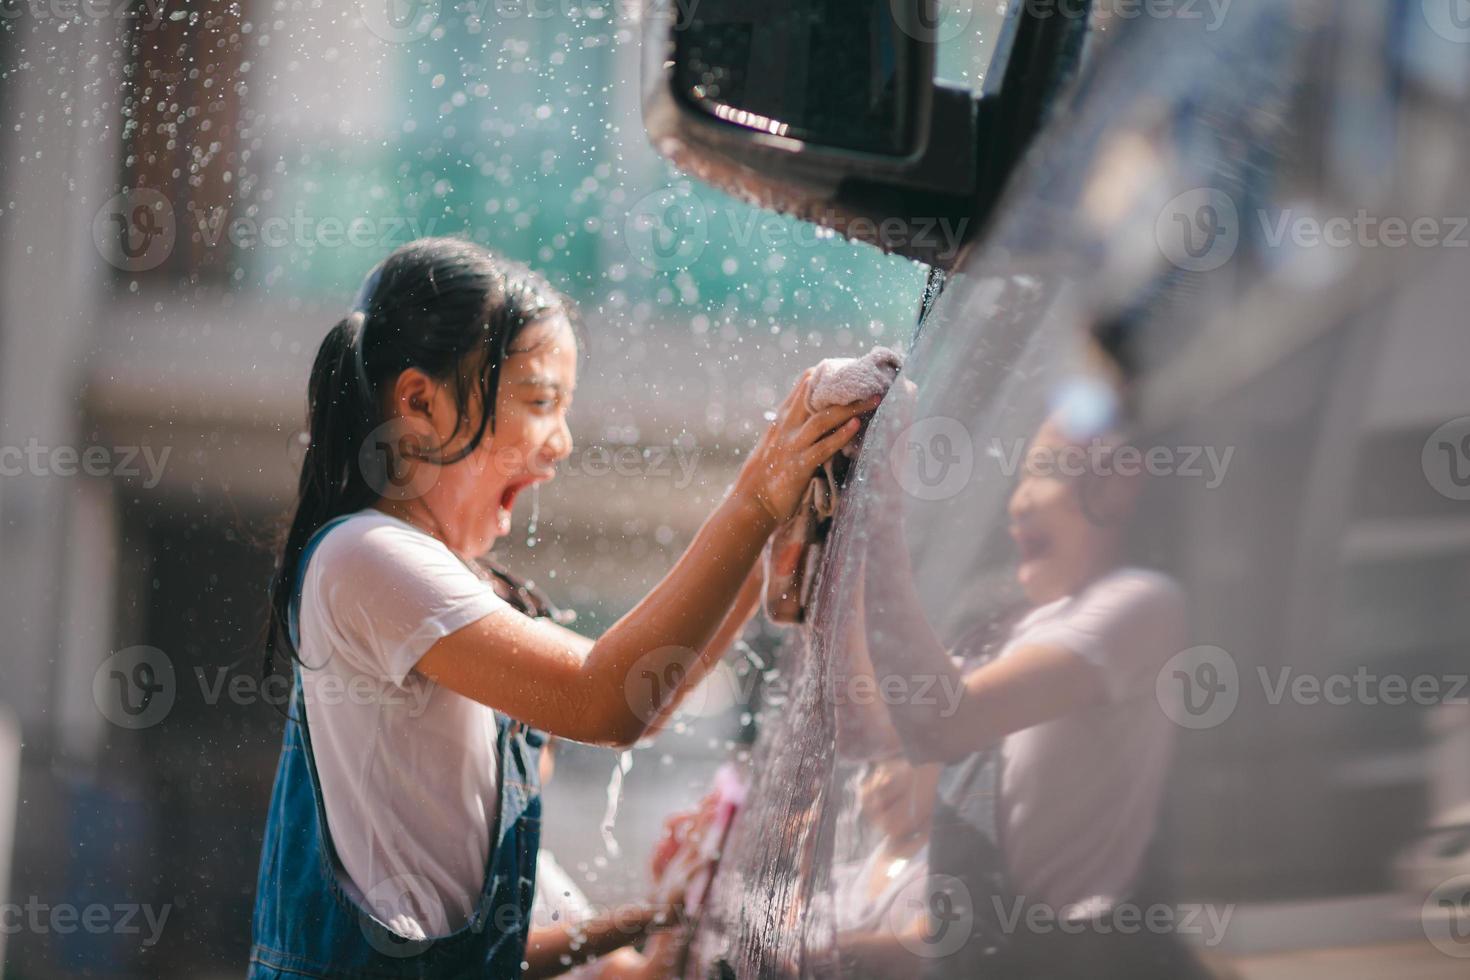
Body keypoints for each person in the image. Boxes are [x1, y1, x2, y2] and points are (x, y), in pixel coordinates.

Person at [247, 237, 878, 979]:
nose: (562, 444)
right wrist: (757, 492)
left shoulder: (440, 587)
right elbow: (604, 701)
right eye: (540, 401)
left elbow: (641, 689)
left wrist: (671, 912)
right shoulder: (363, 555)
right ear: (418, 402)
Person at [841, 406, 1197, 978]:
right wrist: (832, 577)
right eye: (1021, 478)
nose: (1018, 502)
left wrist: (878, 524)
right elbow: (875, 725)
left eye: (1045, 472)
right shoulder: (1018, 632)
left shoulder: (1140, 603)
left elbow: (941, 722)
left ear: (1120, 484)